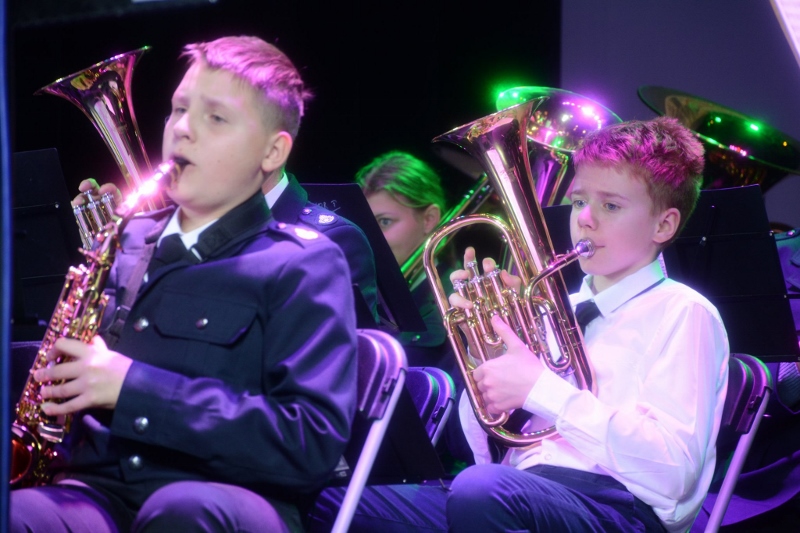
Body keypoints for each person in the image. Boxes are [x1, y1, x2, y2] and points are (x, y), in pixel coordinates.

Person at [312, 116, 731, 532]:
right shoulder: (554, 308)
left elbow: (673, 475)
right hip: (516, 489)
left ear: (663, 225)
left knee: (482, 489)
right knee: (324, 497)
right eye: (579, 201)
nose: (585, 219)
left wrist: (541, 389)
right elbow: (482, 453)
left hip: (617, 510)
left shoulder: (684, 312)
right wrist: (489, 369)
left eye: (611, 205)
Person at [11, 35, 357, 533]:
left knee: (181, 511)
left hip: (229, 501)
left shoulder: (304, 264)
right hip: (96, 493)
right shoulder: (125, 241)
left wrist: (132, 388)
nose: (182, 129)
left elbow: (309, 444)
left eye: (215, 118)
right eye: (178, 109)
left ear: (272, 151)